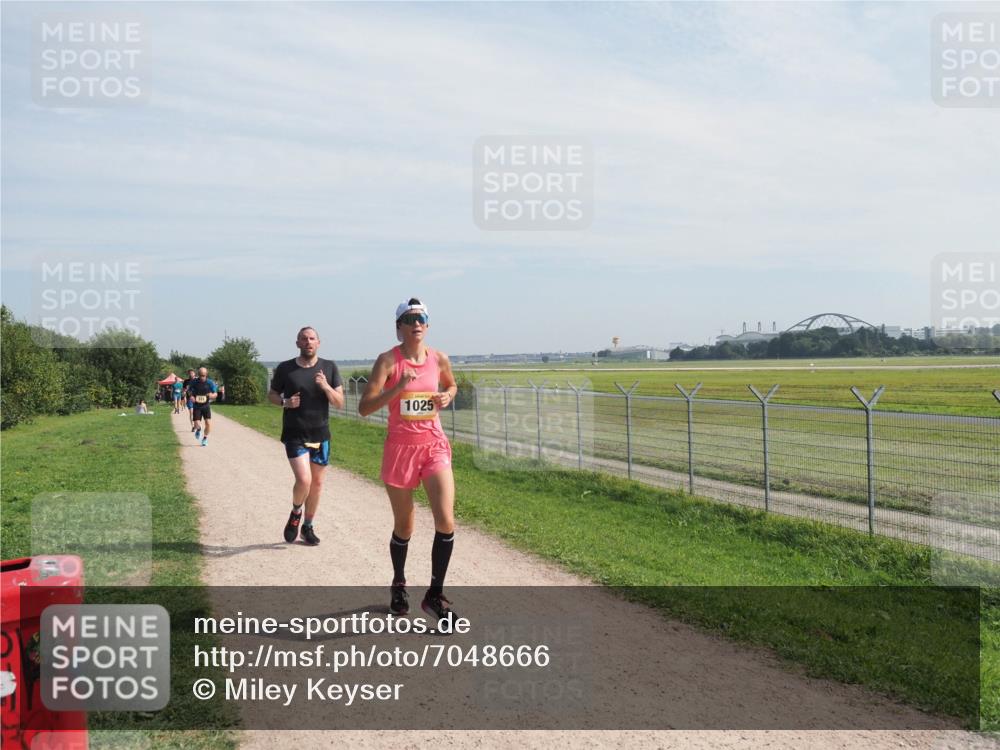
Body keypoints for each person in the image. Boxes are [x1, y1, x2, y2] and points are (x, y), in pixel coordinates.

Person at [358, 298, 457, 623]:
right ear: (399, 326)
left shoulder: (439, 358)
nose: (417, 323)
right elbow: (365, 407)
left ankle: (434, 595)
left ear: (427, 325)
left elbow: (451, 383)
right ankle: (399, 583)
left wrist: (448, 394)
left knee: (445, 519)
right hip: (400, 449)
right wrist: (397, 388)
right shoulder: (388, 361)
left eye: (422, 318)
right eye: (410, 318)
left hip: (433, 446)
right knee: (405, 525)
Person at [268, 327, 344, 546]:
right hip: (294, 433)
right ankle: (295, 512)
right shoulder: (286, 368)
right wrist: (285, 402)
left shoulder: (329, 367)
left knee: (317, 484)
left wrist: (325, 386)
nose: (308, 342)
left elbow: (339, 402)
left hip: (321, 434)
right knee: (304, 480)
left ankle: (308, 527)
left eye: (312, 338)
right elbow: (272, 395)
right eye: (304, 339)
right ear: (297, 343)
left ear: (319, 342)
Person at [189, 367, 218, 446]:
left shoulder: (210, 383)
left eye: (204, 375)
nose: (202, 377)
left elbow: (215, 393)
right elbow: (189, 391)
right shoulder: (194, 382)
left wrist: (212, 395)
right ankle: (198, 429)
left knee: (208, 423)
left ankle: (205, 439)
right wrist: (191, 396)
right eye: (201, 375)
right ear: (198, 375)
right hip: (197, 406)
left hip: (206, 405)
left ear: (206, 375)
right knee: (196, 423)